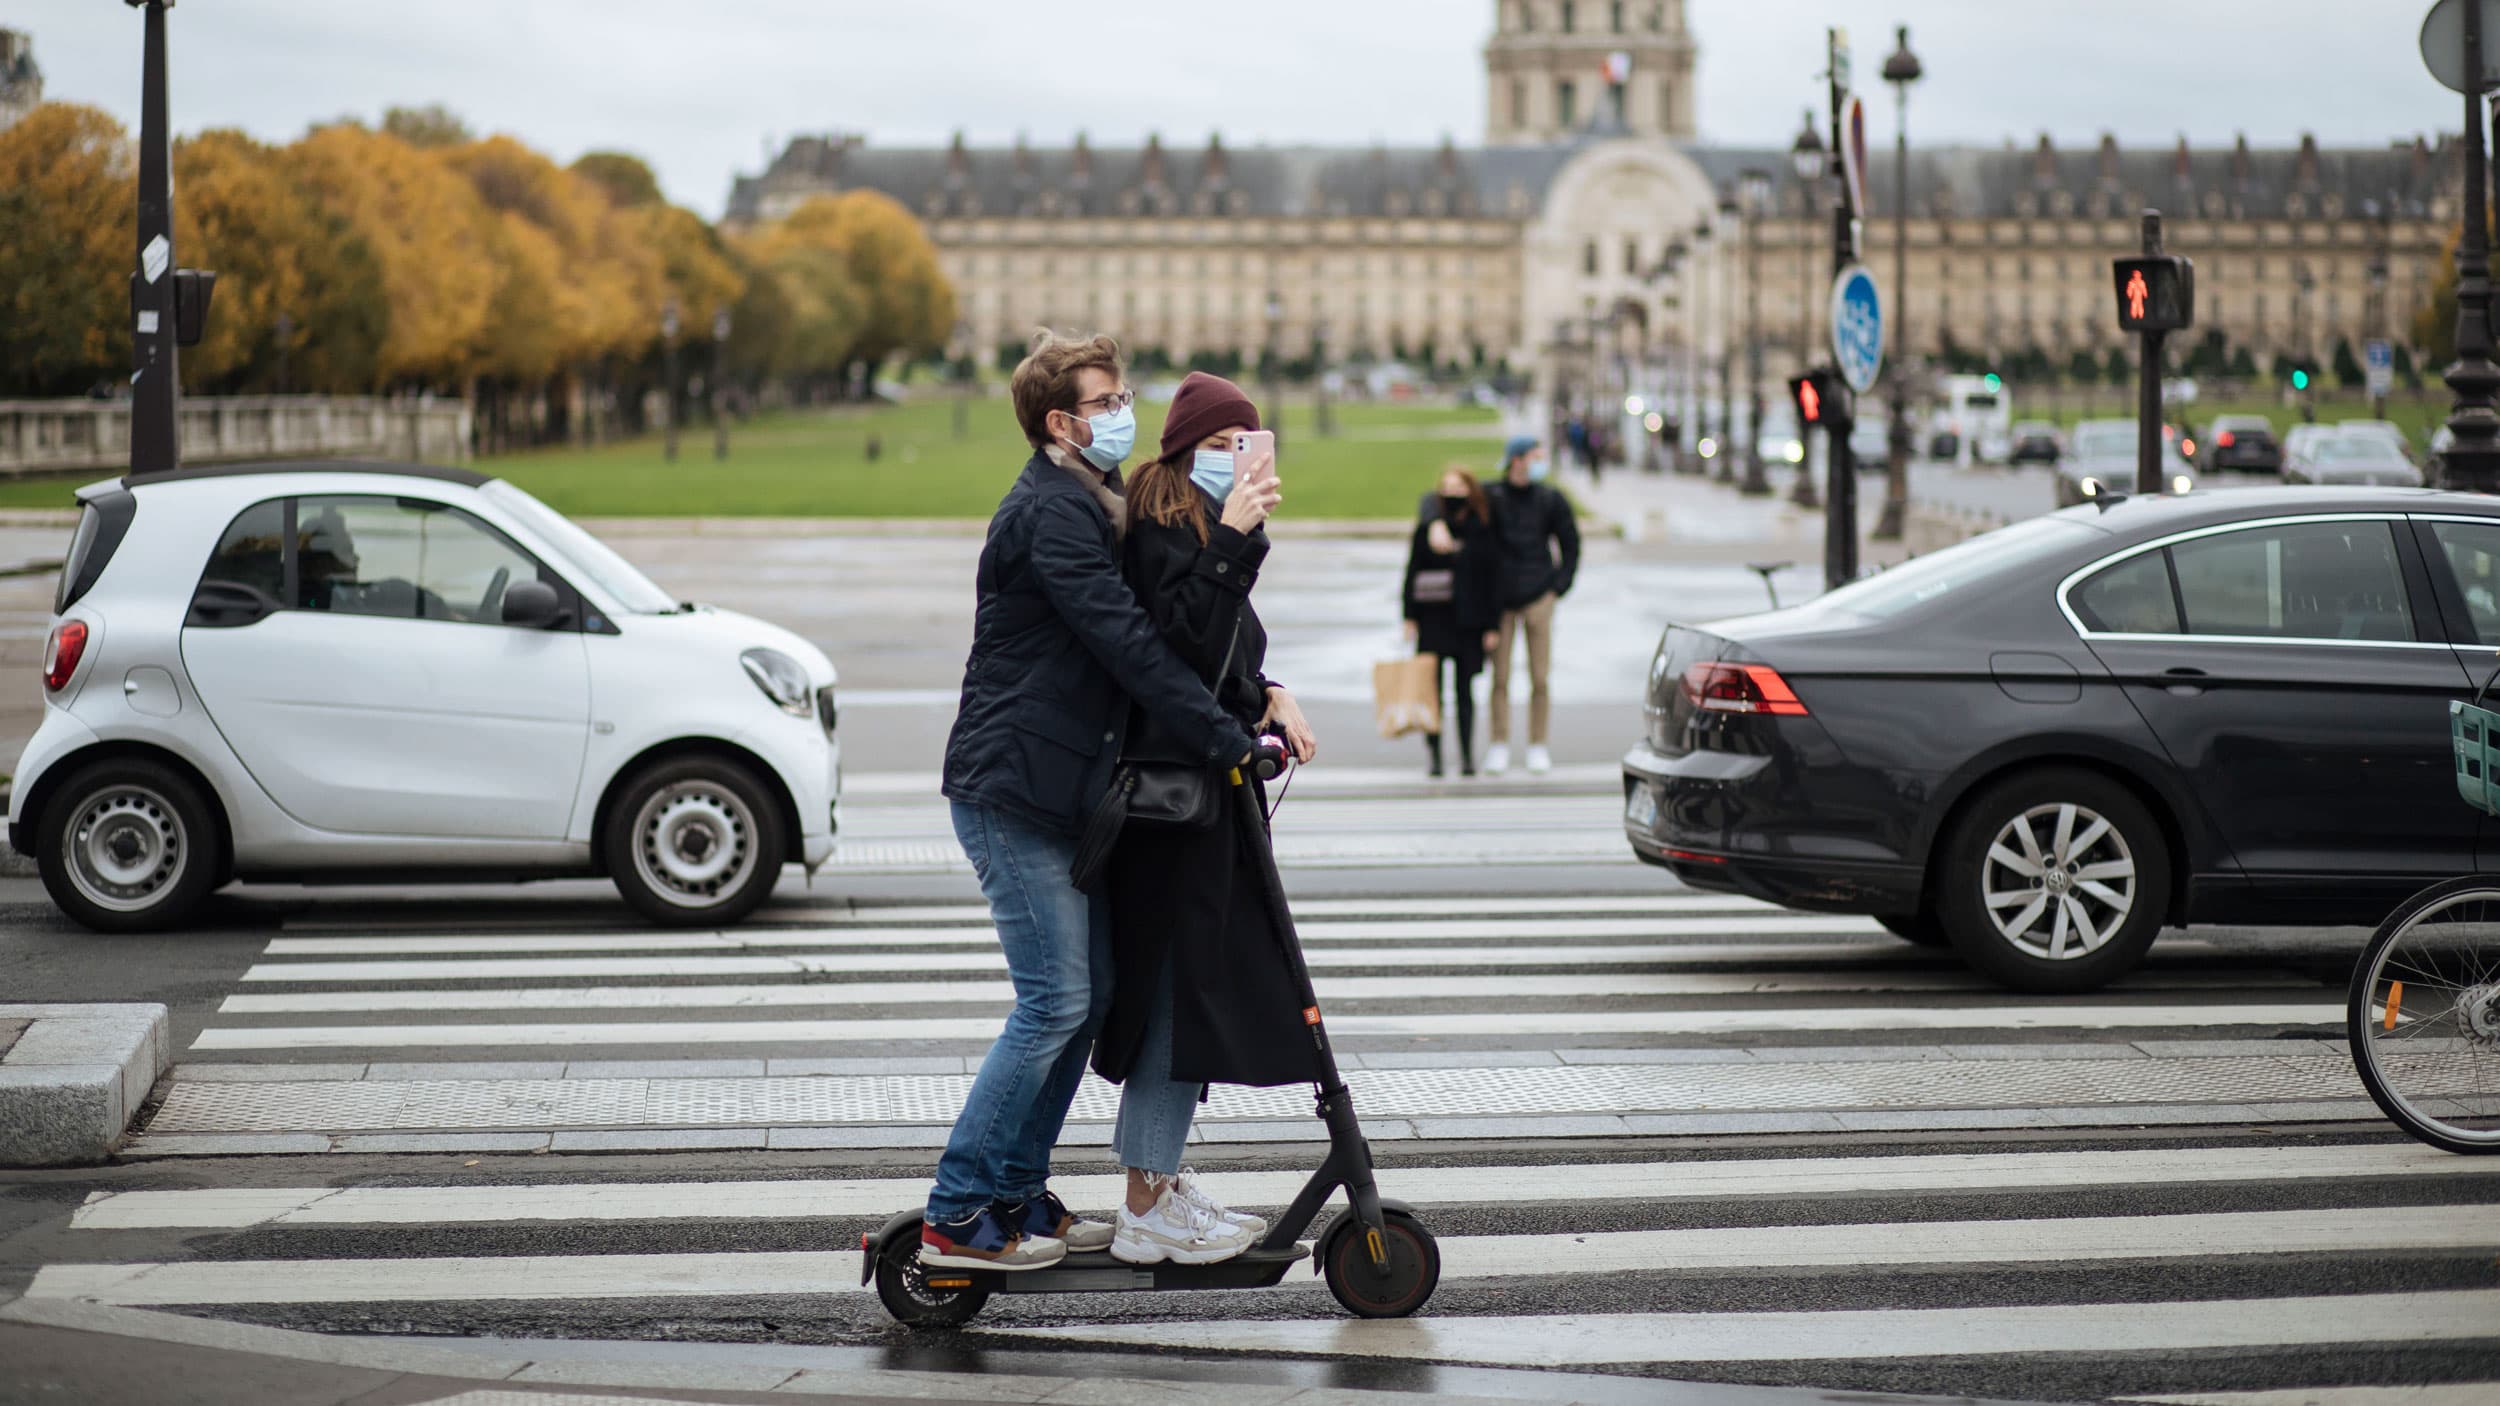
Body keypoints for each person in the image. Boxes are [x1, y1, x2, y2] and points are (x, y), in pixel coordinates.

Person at [927, 334, 1261, 1273]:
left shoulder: (1089, 498)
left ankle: (1017, 1192)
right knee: (1055, 1001)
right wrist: (1219, 734)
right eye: (1107, 400)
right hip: (1013, 790)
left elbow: (1163, 629)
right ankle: (959, 1209)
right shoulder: (1053, 514)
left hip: (1057, 789)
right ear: (1061, 422)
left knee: (1090, 996)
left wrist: (1259, 693)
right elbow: (1129, 644)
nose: (1125, 413)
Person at [1093, 371, 1320, 1265]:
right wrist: (1234, 540)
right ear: (1189, 451)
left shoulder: (1197, 526)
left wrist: (1270, 693)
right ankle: (1146, 1201)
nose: (1242, 459)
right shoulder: (1160, 531)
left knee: (1190, 994)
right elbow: (1178, 645)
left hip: (1205, 796)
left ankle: (1158, 1180)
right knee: (1174, 997)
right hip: (1170, 807)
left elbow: (1223, 656)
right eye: (1227, 445)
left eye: (1250, 444)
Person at [1482, 434, 1580, 776]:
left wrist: (1558, 587)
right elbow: (1443, 504)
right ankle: (1499, 742)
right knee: (1501, 676)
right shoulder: (1491, 496)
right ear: (1517, 460)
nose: (1540, 462)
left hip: (1539, 595)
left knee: (1540, 676)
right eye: (1535, 456)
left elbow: (1570, 542)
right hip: (1501, 600)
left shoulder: (1550, 499)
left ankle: (1538, 744)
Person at [1402, 466, 1502, 777]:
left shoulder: (1482, 528)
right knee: (1432, 692)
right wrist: (1409, 617)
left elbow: (1492, 580)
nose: (1452, 493)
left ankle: (1468, 755)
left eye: (1459, 487)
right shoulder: (1429, 528)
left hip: (1468, 621)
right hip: (1433, 619)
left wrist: (1492, 625)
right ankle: (1434, 756)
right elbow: (1412, 572)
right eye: (1446, 486)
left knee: (1465, 692)